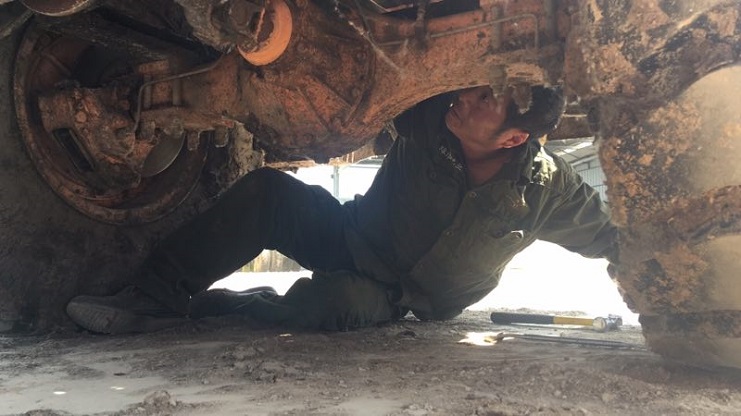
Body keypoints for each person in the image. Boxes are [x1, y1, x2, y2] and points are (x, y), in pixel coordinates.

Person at [66, 85, 617, 334]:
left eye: (485, 101)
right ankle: (154, 295)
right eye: (476, 88)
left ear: (514, 138)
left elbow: (612, 237)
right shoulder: (431, 121)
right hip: (349, 234)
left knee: (325, 305)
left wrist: (656, 293)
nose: (465, 97)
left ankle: (238, 306)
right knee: (268, 193)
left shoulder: (549, 189)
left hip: (400, 295)